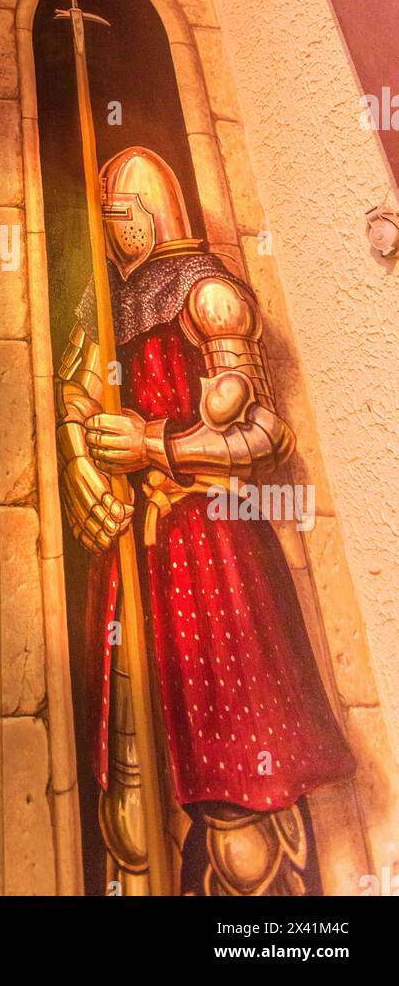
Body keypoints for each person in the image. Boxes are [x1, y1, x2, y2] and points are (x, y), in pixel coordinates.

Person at [56, 147, 355, 897]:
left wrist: (155, 442)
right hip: (134, 556)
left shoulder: (209, 293)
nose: (112, 231)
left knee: (237, 785)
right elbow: (72, 400)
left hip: (211, 548)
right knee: (128, 789)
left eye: (120, 216)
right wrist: (79, 465)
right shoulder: (107, 299)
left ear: (151, 214)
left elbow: (263, 434)